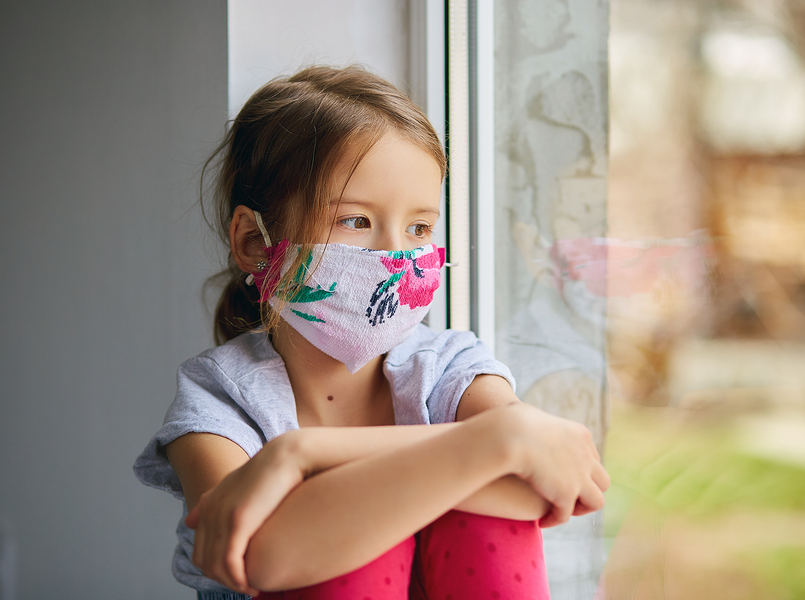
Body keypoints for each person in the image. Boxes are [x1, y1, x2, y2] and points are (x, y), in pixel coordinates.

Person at [134, 65, 609, 600]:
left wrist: (305, 456)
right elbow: (263, 556)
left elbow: (538, 490)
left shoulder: (451, 368)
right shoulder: (219, 398)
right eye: (356, 221)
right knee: (342, 533)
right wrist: (497, 442)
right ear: (252, 241)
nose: (396, 255)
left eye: (420, 228)